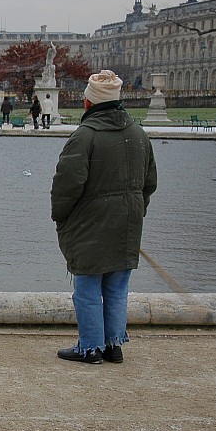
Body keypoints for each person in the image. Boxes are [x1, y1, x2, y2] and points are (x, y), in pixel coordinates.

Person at [51, 70, 157, 364]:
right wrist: (135, 212)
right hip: (128, 223)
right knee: (117, 288)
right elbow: (149, 184)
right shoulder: (138, 134)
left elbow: (66, 186)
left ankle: (90, 348)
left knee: (86, 289)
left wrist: (60, 217)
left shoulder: (84, 137)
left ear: (89, 104)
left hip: (90, 224)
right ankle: (113, 344)